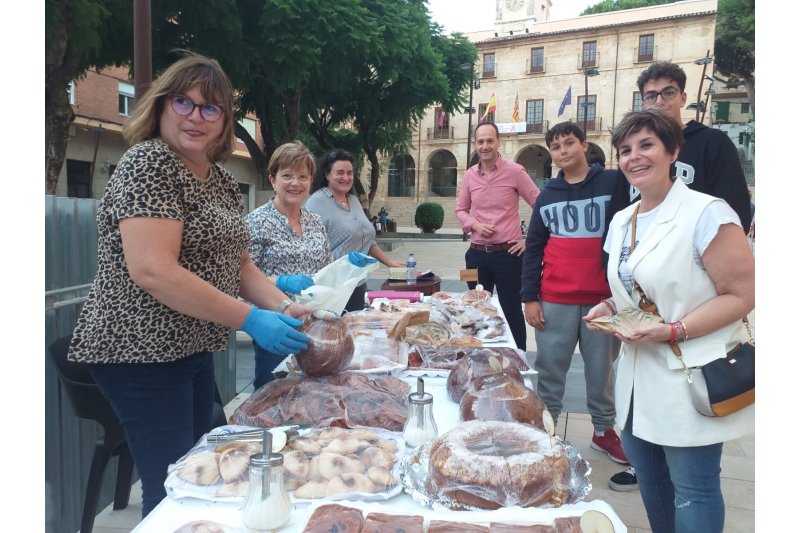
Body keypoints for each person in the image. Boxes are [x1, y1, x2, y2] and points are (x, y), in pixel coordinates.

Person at [66, 53, 311, 518]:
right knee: (177, 488)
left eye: (210, 108)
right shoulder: (150, 164)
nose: (196, 117)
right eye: (184, 102)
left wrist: (286, 306)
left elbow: (240, 267)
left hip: (190, 348)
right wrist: (251, 319)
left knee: (208, 469)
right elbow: (152, 270)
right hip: (139, 352)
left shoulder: (219, 179)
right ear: (160, 106)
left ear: (224, 124)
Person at [585, 110, 754, 533]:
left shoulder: (707, 214)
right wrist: (609, 306)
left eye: (646, 145)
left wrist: (674, 330)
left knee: (693, 487)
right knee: (651, 478)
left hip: (690, 371)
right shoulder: (624, 219)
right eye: (625, 150)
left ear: (673, 152)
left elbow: (744, 294)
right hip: (638, 374)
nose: (634, 157)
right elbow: (635, 285)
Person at [521, 122, 627, 464]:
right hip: (555, 299)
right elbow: (534, 248)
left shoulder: (613, 183)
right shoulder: (546, 196)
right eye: (556, 146)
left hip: (603, 300)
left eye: (569, 143)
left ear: (584, 144)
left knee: (602, 371)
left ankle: (603, 431)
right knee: (550, 369)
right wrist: (529, 297)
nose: (563, 150)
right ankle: (546, 429)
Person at [244, 141, 333, 390]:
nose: (296, 183)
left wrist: (349, 266)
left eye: (302, 176)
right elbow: (240, 277)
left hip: (315, 324)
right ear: (272, 179)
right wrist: (281, 281)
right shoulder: (255, 222)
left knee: (313, 392)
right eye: (287, 175)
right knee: (274, 393)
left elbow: (326, 269)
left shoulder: (315, 221)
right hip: (276, 326)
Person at [455, 121, 540, 350]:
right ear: (475, 144)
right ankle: (480, 358)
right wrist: (474, 225)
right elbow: (460, 210)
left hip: (508, 257)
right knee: (476, 309)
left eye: (489, 141)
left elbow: (541, 205)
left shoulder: (515, 172)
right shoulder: (470, 176)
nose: (485, 146)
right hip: (475, 256)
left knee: (511, 309)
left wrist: (528, 240)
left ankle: (518, 361)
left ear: (498, 142)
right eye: (480, 141)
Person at [305, 149, 405, 311]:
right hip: (332, 287)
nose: (345, 177)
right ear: (327, 175)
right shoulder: (316, 202)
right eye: (339, 173)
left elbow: (367, 239)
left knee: (357, 331)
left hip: (357, 283)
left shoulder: (354, 200)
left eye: (349, 173)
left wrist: (390, 263)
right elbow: (308, 247)